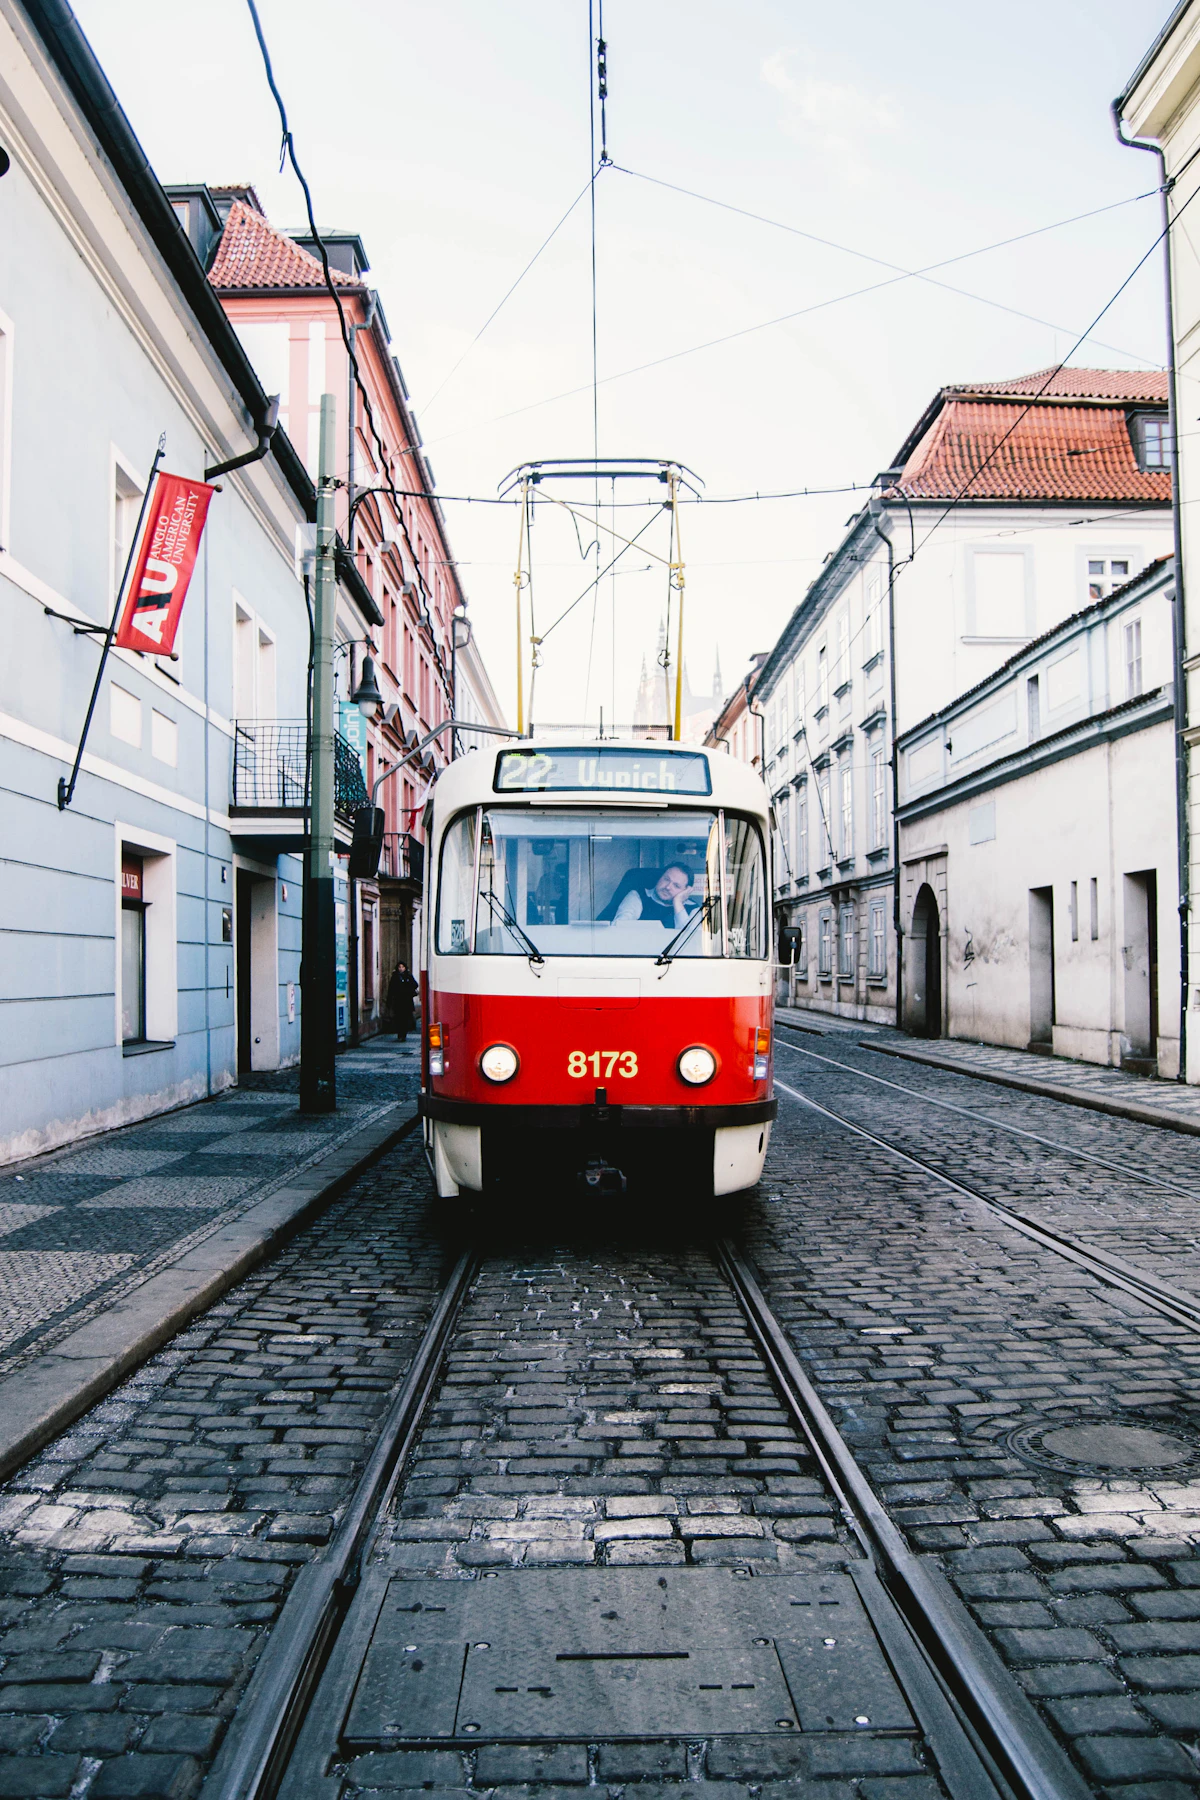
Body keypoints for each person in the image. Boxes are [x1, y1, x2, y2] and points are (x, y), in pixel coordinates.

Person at [612, 863, 694, 929]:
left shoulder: (694, 909)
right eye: (666, 879)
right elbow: (619, 928)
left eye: (676, 885)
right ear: (659, 878)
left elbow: (691, 942)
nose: (668, 887)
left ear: (686, 891)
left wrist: (677, 902)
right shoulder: (638, 896)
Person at [386, 961, 418, 1039]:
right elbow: (391, 989)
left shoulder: (408, 976)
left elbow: (415, 984)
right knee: (398, 1018)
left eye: (402, 967)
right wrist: (389, 1001)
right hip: (398, 1001)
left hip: (407, 1001)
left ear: (405, 968)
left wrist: (409, 989)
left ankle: (404, 1034)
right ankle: (400, 1033)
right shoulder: (395, 977)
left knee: (406, 1018)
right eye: (399, 967)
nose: (401, 969)